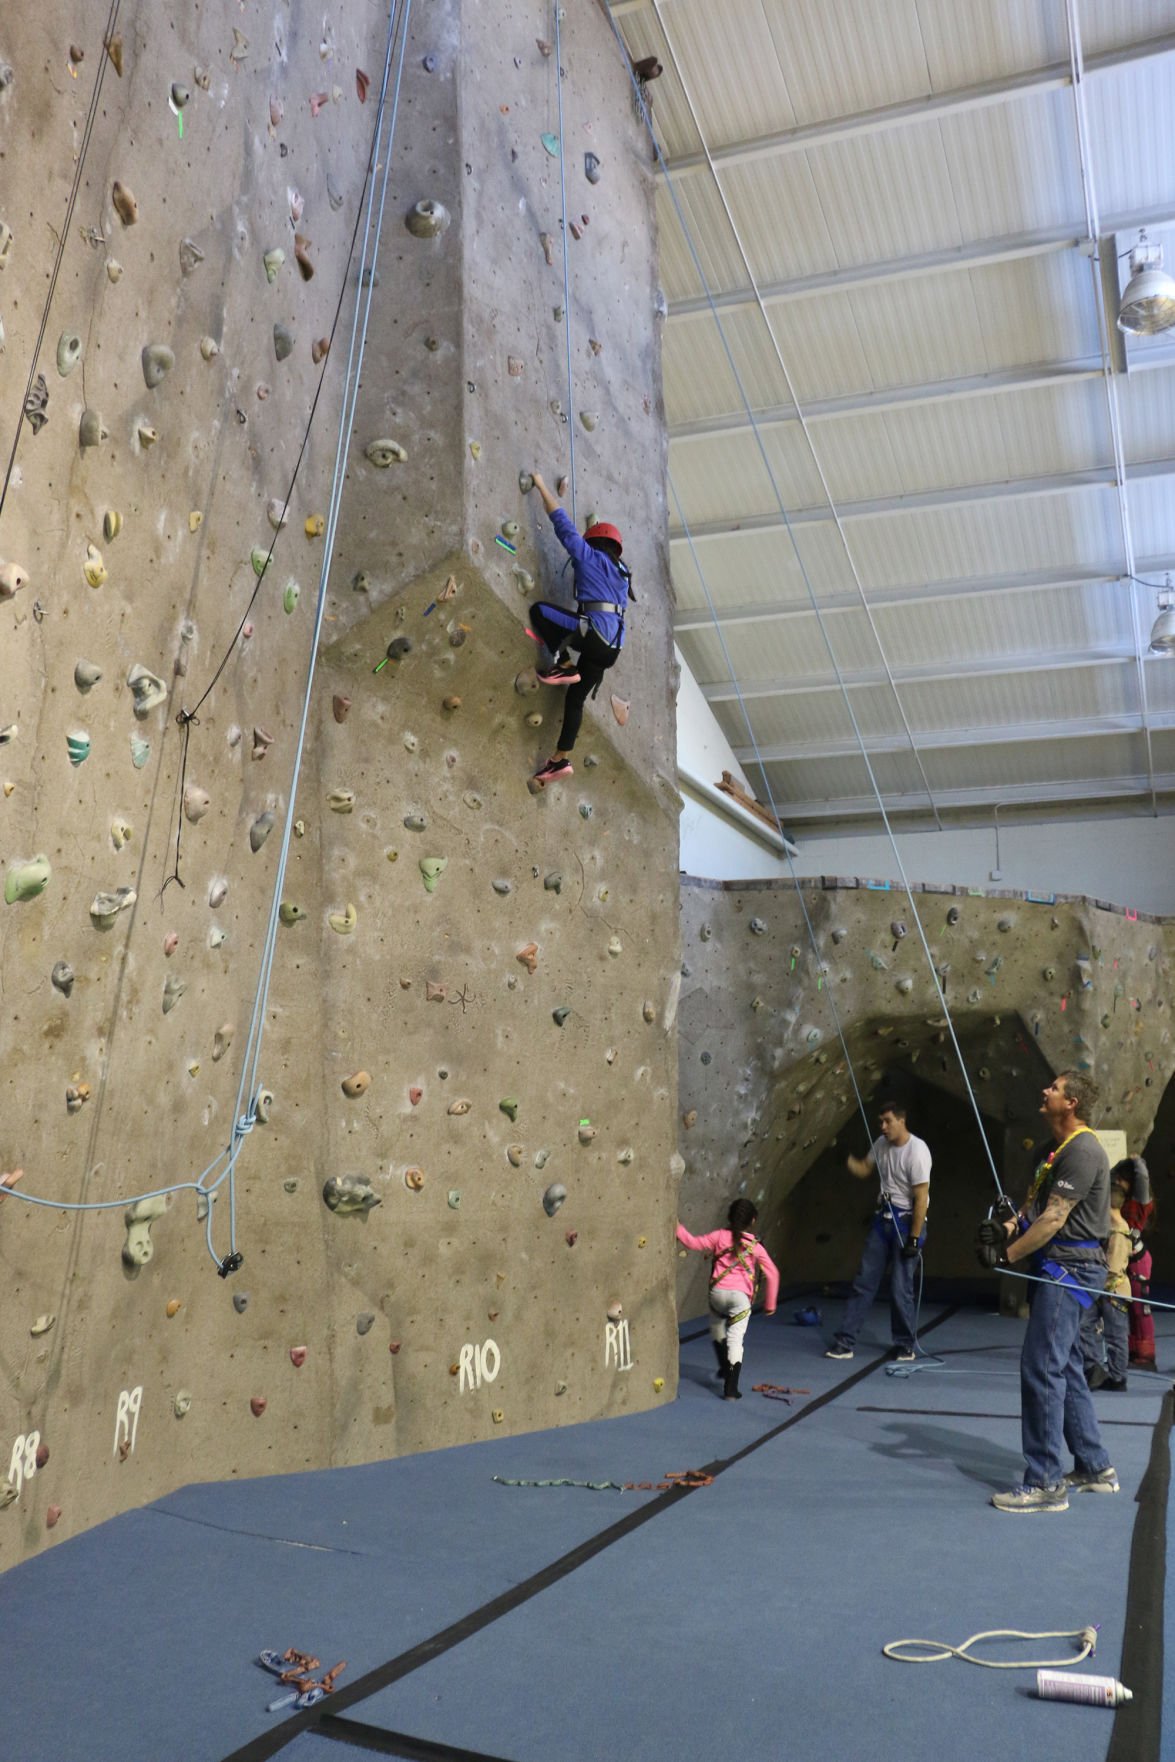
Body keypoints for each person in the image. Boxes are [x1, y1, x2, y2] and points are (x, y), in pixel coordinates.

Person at [980, 1071, 1118, 1513]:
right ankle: (1095, 1466)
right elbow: (1033, 1210)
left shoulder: (1084, 1152)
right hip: (1056, 1266)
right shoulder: (1052, 1151)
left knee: (1042, 1366)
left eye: (1054, 1089)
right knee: (1068, 1366)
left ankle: (1044, 1483)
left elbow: (1055, 1220)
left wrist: (1007, 1257)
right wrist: (1002, 1230)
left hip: (1071, 1271)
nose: (1045, 1091)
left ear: (1072, 1102)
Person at [524, 471, 634, 787]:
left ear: (596, 543)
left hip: (593, 636)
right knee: (575, 700)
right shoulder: (624, 574)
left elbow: (560, 522)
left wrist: (541, 485)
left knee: (540, 611)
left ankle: (563, 663)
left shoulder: (589, 556)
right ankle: (558, 760)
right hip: (612, 649)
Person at [824, 1101, 929, 1363]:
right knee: (863, 1283)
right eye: (880, 1122)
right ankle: (844, 1342)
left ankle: (905, 1345)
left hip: (906, 1224)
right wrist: (845, 1157)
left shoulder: (917, 1151)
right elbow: (864, 1168)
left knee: (900, 1288)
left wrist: (914, 1238)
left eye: (887, 1121)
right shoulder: (881, 1144)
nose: (882, 1127)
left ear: (901, 1121)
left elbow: (921, 1199)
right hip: (883, 1222)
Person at [676, 1198, 779, 1401]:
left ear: (729, 1217)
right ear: (753, 1220)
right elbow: (773, 1274)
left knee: (716, 1327)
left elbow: (692, 1242)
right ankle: (731, 1389)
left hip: (718, 1293)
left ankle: (723, 1366)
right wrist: (770, 1305)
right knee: (736, 1339)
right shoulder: (755, 1246)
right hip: (741, 1298)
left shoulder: (718, 1236)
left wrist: (677, 1226)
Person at [1080, 1184, 1131, 1392]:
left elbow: (1114, 1268)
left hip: (1113, 1292)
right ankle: (1093, 1368)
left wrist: (1093, 1275)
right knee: (1084, 1325)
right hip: (1100, 1290)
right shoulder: (1109, 1228)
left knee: (1115, 1335)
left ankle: (1118, 1377)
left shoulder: (1119, 1232)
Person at [1113, 1155, 1156, 1371]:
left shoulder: (1139, 1203)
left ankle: (1147, 1355)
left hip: (1138, 1260)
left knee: (1141, 1309)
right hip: (1126, 1260)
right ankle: (1133, 1351)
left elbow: (1142, 1179)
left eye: (1121, 1179)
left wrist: (1138, 1162)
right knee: (1130, 1309)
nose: (1117, 1183)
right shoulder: (1121, 1203)